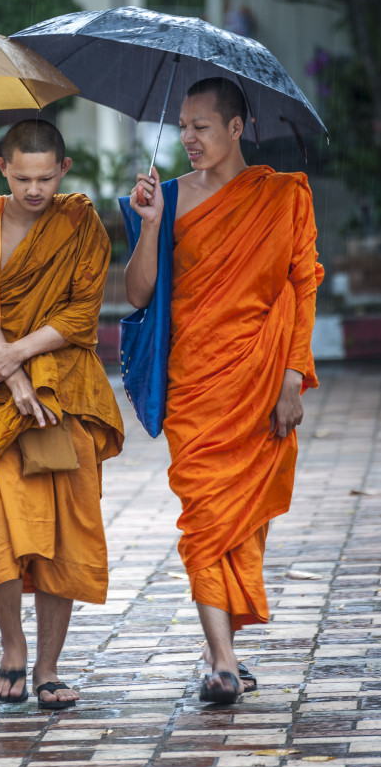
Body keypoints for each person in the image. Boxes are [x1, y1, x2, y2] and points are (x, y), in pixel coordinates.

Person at [125, 78, 323, 704]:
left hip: (263, 379)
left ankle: (223, 652)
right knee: (205, 518)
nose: (187, 138)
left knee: (244, 522)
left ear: (237, 128)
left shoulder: (282, 195)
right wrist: (151, 224)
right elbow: (137, 295)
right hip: (196, 382)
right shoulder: (168, 198)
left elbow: (302, 286)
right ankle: (225, 660)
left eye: (201, 126)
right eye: (182, 126)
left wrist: (293, 378)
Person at [0, 119, 124, 710]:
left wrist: (22, 353)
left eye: (46, 177)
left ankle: (47, 667)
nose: (35, 190)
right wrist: (11, 372)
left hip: (64, 389)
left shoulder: (79, 222)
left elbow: (83, 313)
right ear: (3, 169)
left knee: (61, 530)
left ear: (63, 171)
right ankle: (12, 645)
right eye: (23, 177)